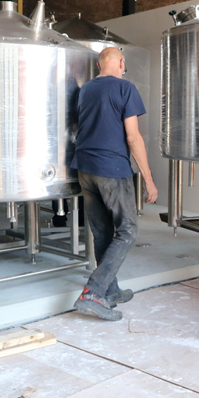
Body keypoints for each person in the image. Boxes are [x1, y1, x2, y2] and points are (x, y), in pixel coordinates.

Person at [71, 47, 158, 321]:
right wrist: (148, 179)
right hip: (111, 169)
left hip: (85, 168)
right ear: (121, 62)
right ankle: (92, 293)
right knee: (128, 230)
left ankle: (110, 292)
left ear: (99, 66)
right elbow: (133, 137)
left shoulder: (85, 90)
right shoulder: (125, 88)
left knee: (102, 232)